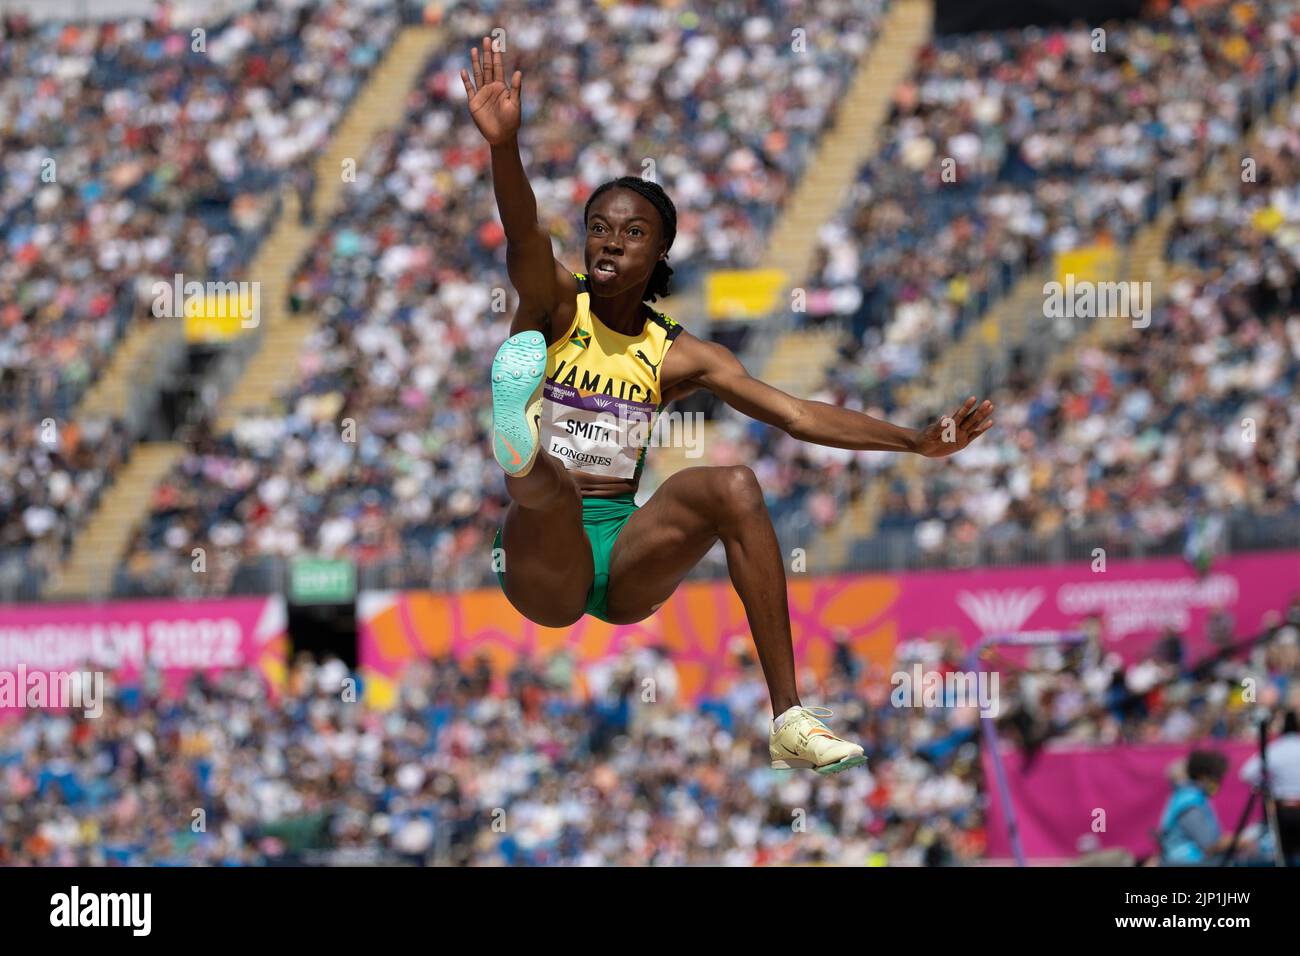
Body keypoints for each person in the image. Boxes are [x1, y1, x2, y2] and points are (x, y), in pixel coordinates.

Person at [460, 38, 994, 774]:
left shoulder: (684, 354)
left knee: (735, 484)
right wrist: (505, 147)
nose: (611, 241)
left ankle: (790, 719)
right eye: (600, 228)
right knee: (546, 484)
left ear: (659, 255)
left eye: (633, 232)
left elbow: (799, 416)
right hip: (539, 558)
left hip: (621, 555)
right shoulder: (555, 303)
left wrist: (913, 440)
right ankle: (516, 438)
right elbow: (523, 231)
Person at [1158, 749, 1240, 864]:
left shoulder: (1188, 796)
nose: (1219, 782)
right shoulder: (1190, 803)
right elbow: (1209, 845)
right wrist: (1240, 841)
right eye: (1217, 777)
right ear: (1203, 776)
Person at [1240, 710, 1300, 864]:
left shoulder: (1275, 749)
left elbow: (1247, 773)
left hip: (1280, 809)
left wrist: (1266, 784)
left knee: (1283, 854)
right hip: (1285, 809)